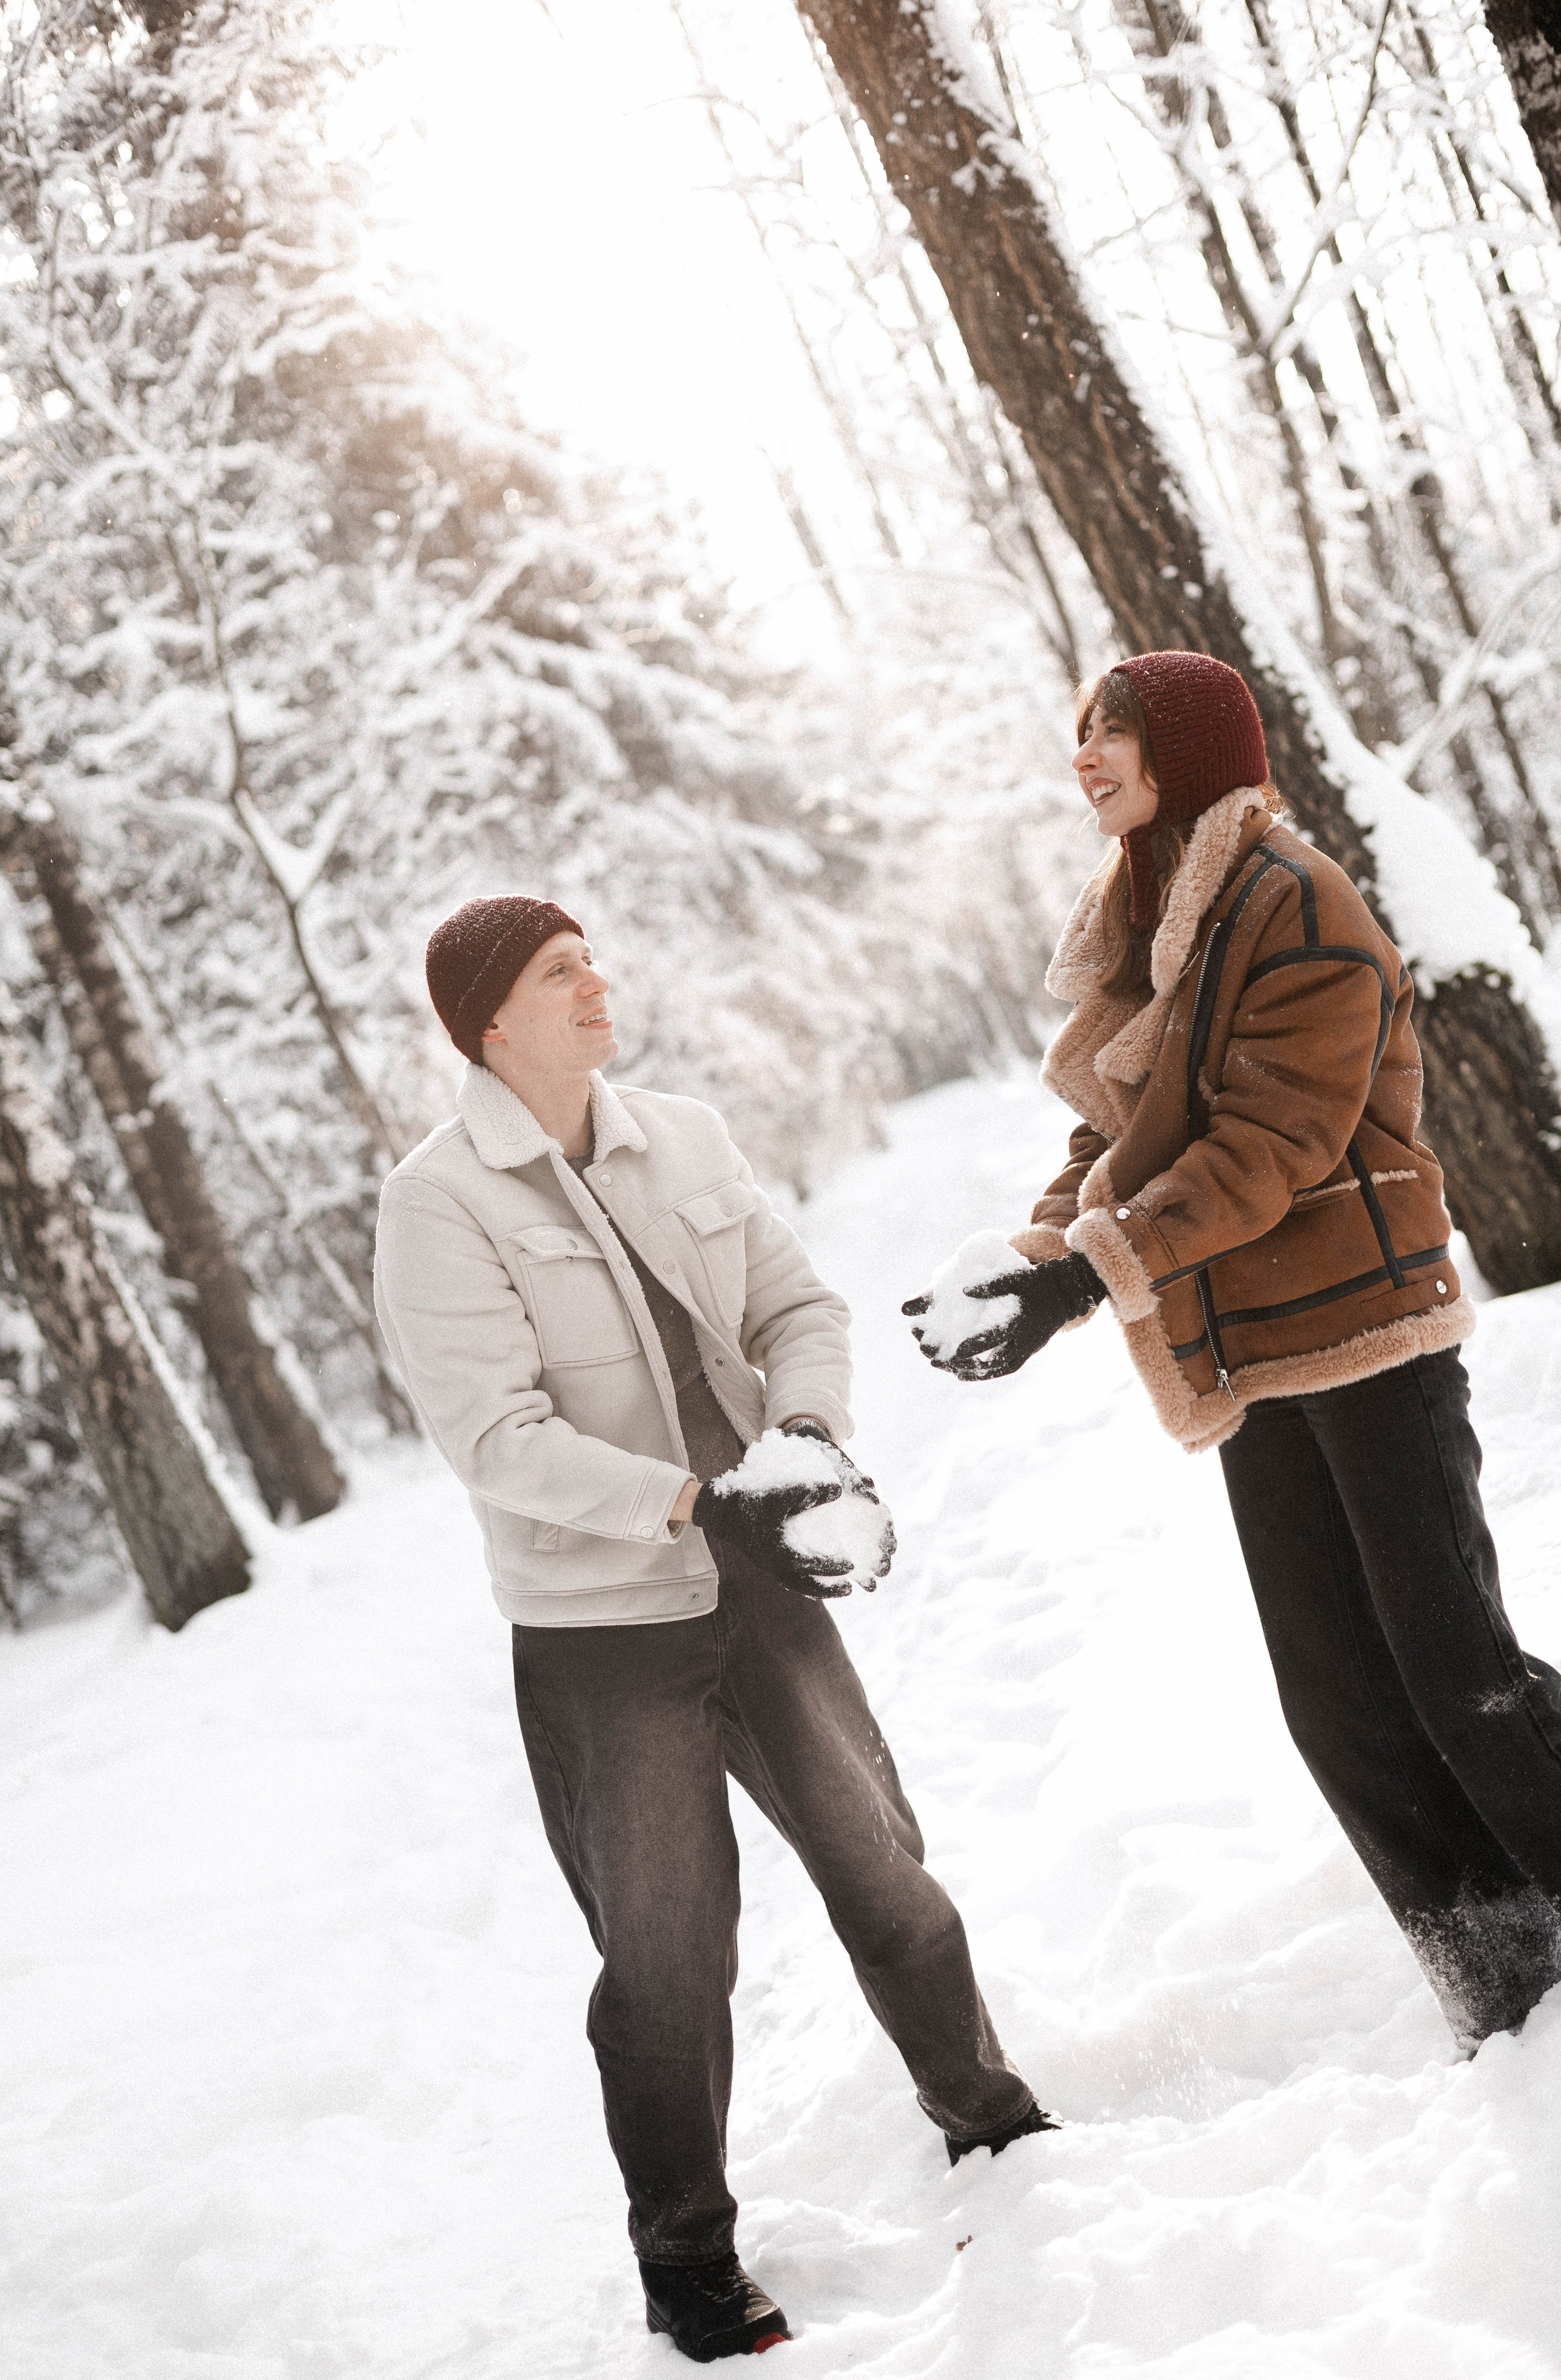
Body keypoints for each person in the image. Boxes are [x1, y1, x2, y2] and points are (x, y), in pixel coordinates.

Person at [373, 896, 1049, 2365]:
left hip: (762, 1590)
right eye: (563, 973)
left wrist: (799, 1440)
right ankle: (684, 2256)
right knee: (668, 1960)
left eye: (593, 957)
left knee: (881, 1864)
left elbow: (797, 1305)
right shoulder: (440, 1202)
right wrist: (691, 1500)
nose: (597, 982)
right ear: (490, 1023)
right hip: (602, 1632)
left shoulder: (680, 1134)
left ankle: (990, 2122)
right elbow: (494, 1437)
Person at [906, 651, 1561, 2052]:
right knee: (1337, 1702)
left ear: (1190, 751)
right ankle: (1503, 1987)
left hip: (1368, 1337)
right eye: (1079, 736)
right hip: (1255, 1356)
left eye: (1111, 735)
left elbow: (1266, 1146)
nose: (1083, 757)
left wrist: (1088, 1276)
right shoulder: (1155, 921)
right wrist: (1031, 1269)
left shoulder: (1294, 901)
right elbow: (1118, 1145)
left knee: (1456, 1674)